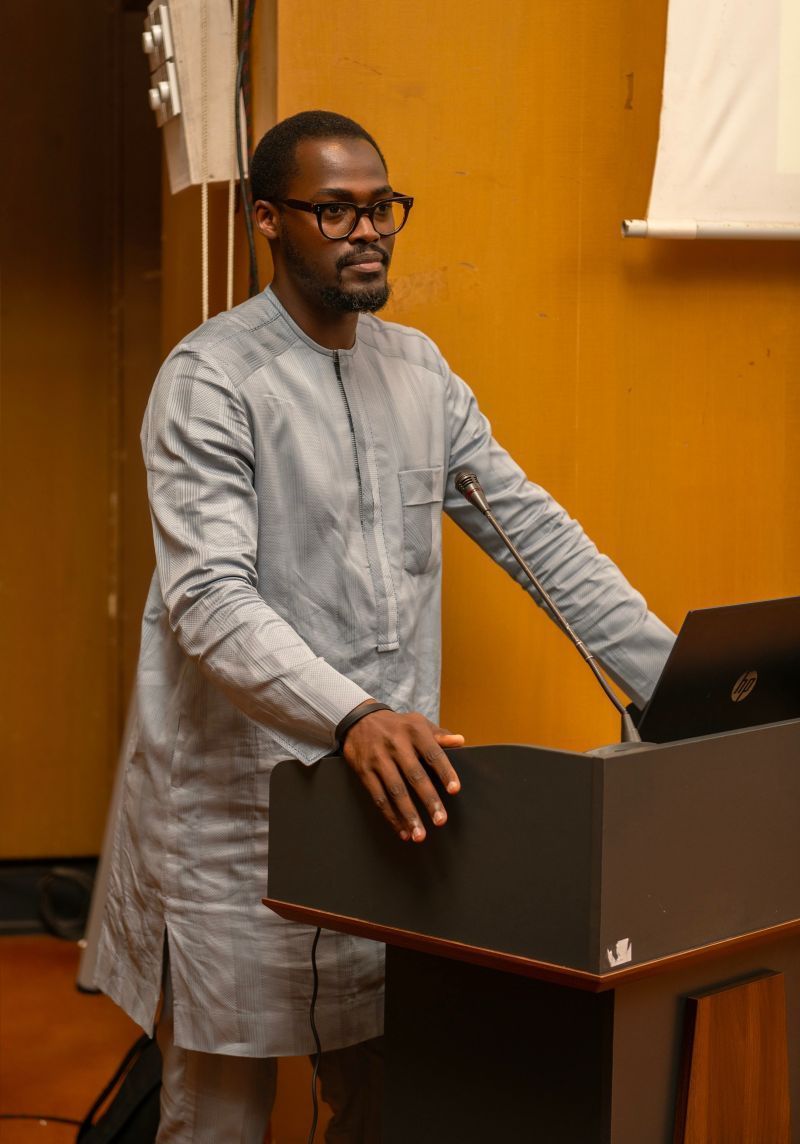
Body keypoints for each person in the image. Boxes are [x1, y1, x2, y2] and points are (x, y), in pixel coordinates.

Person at [94, 110, 674, 1142]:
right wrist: (351, 713)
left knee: (382, 1100)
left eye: (381, 207)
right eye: (335, 211)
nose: (367, 231)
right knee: (222, 1117)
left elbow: (535, 537)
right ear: (268, 220)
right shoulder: (209, 380)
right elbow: (209, 600)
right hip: (240, 823)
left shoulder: (418, 372)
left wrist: (677, 686)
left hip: (386, 816)